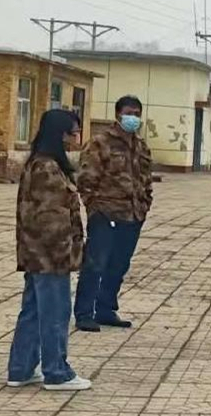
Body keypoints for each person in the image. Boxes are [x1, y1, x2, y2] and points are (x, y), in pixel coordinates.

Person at [8, 109, 91, 391]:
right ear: (60, 134)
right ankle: (57, 371)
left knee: (33, 311)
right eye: (74, 132)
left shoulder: (42, 163)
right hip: (50, 255)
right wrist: (66, 254)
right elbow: (51, 219)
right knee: (55, 312)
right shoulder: (46, 168)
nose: (76, 138)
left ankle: (21, 368)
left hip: (38, 254)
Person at [73, 95, 153, 332]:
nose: (133, 118)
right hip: (106, 213)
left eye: (137, 114)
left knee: (119, 264)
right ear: (118, 114)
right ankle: (84, 312)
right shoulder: (100, 143)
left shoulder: (140, 146)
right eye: (129, 113)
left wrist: (145, 204)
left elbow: (146, 179)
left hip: (133, 215)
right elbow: (85, 178)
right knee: (95, 264)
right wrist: (95, 209)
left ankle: (106, 309)